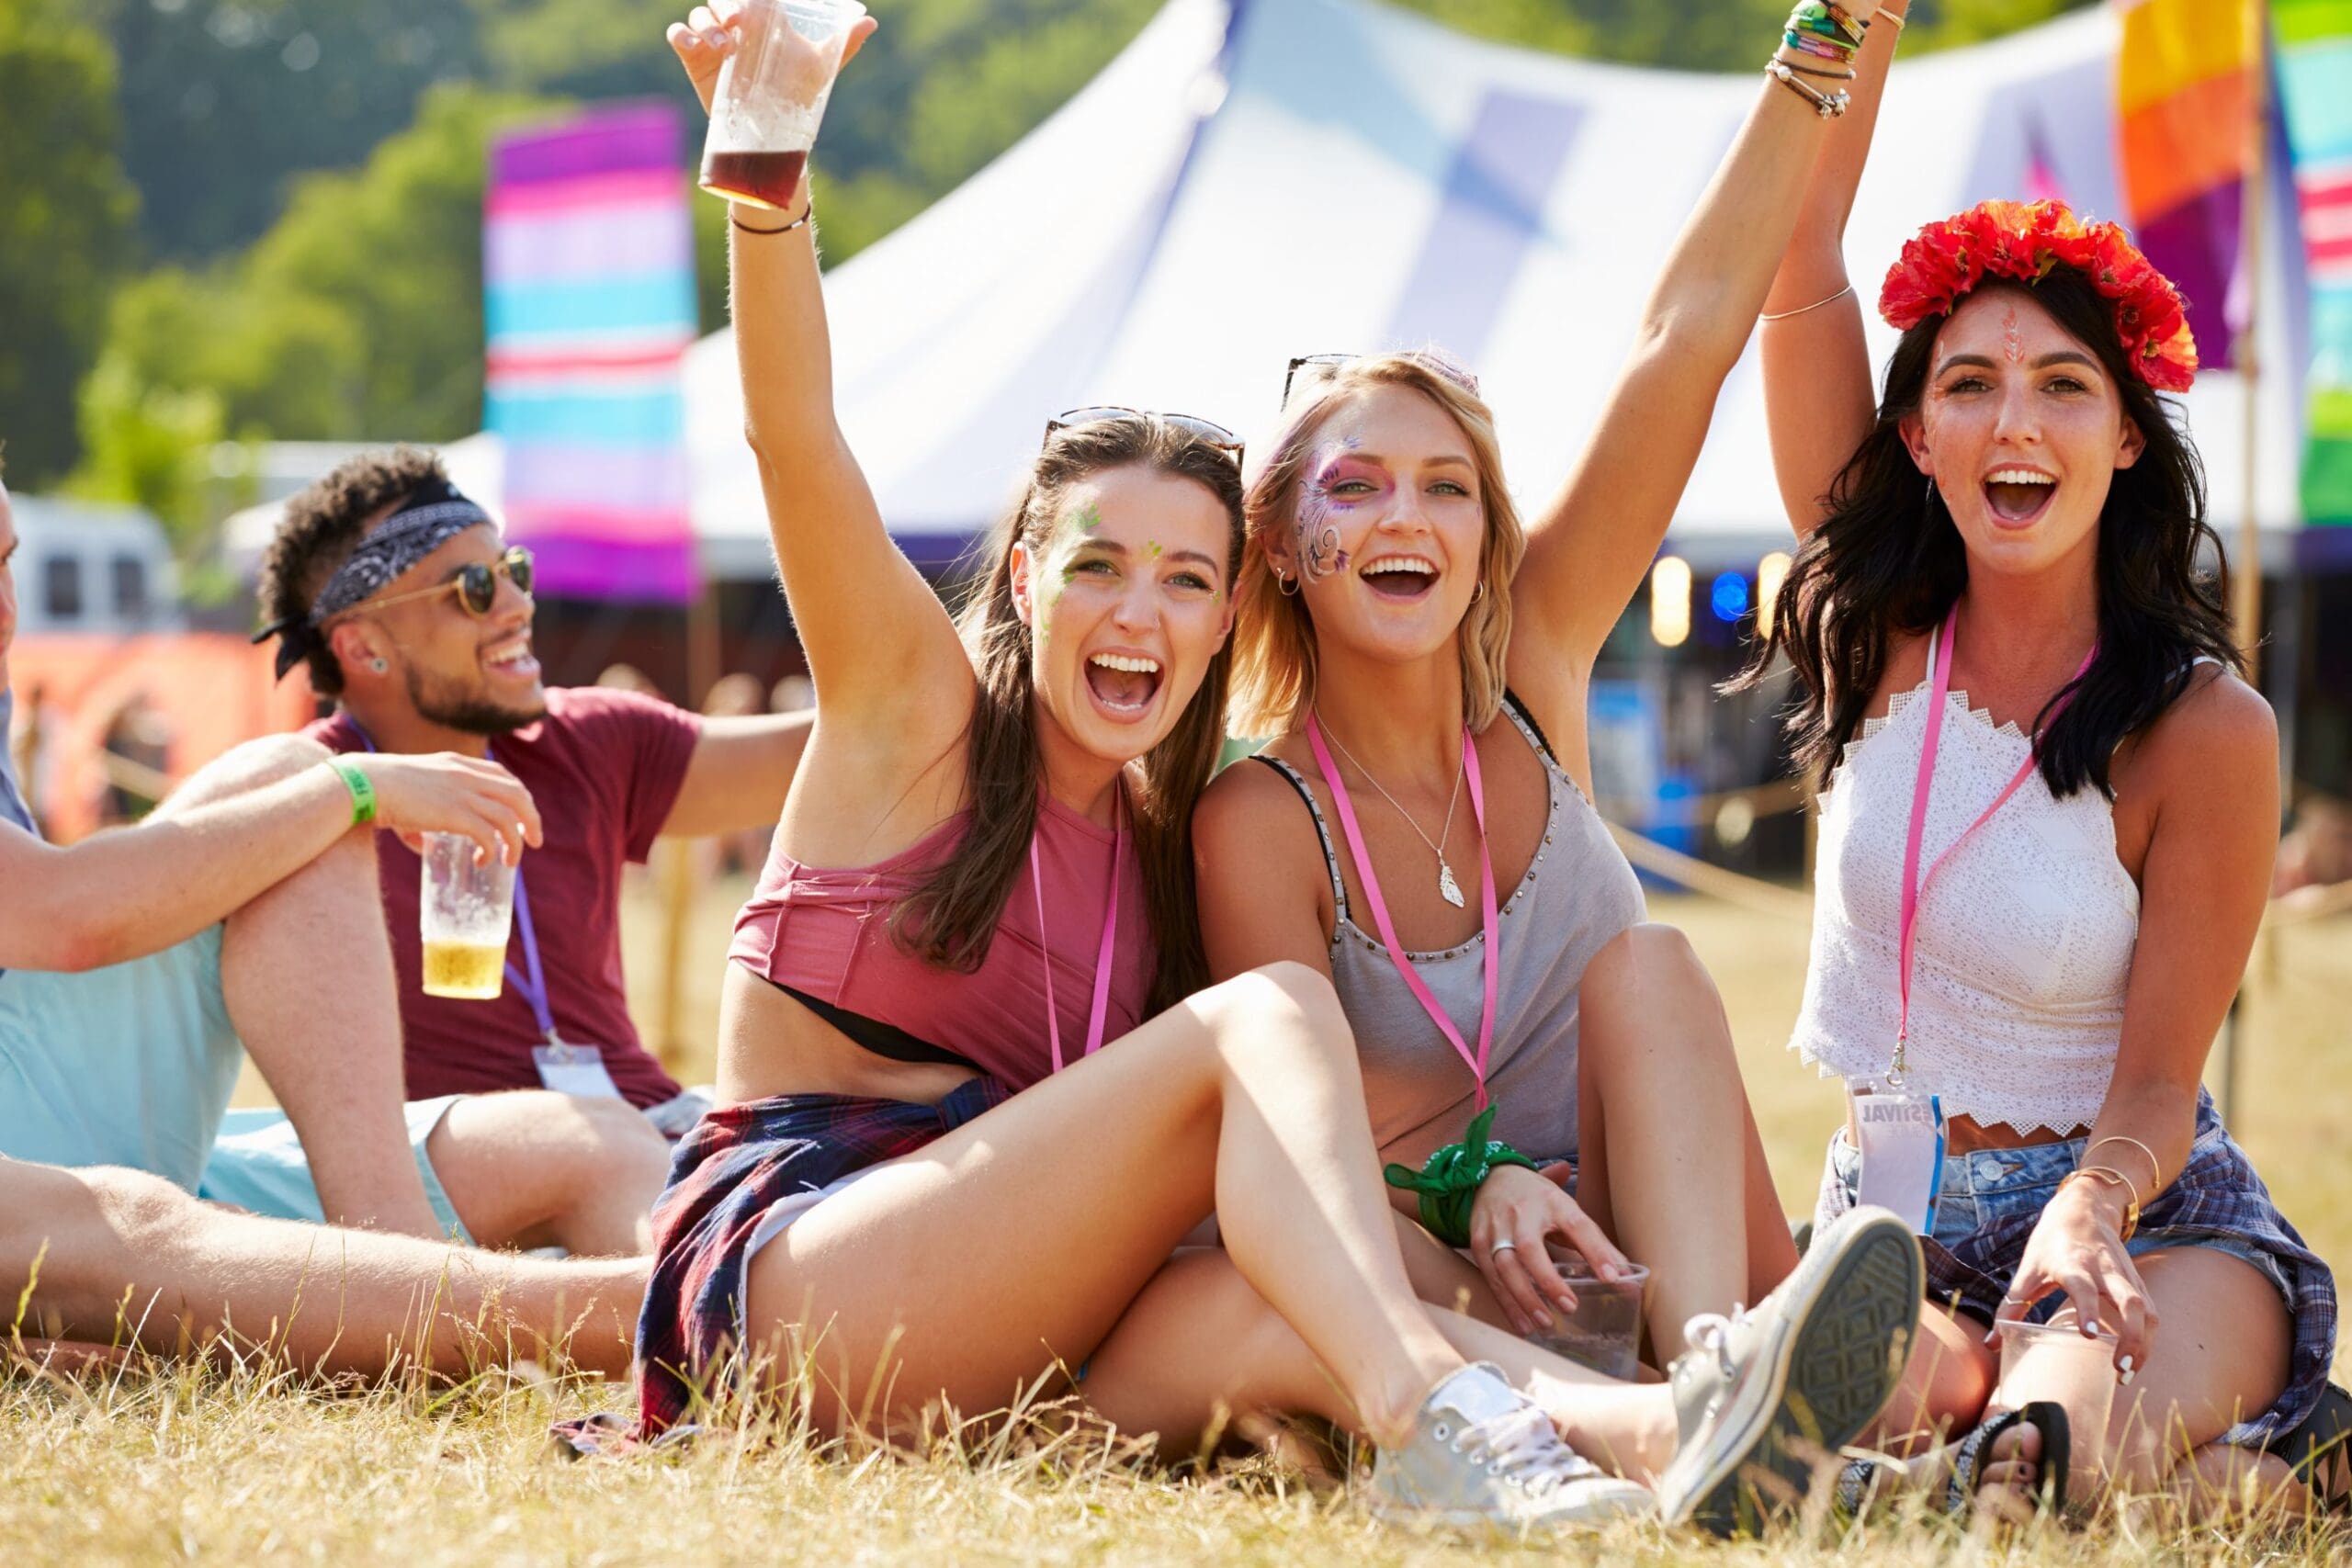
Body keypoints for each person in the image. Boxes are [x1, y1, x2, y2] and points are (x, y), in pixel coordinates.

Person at [636, 5, 1925, 1539]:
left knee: (1277, 1303)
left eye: (1183, 578)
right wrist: (769, 181)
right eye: (1100, 565)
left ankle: (1684, 1431)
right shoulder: (927, 715)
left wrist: (1823, 48)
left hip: (1036, 1298)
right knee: (1269, 1047)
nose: (1140, 609)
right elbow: (796, 440)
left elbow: (1682, 341)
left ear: (1230, 596)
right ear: (1034, 575)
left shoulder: (1159, 814)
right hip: (812, 1269)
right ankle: (1470, 1416)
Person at [1170, 0, 1905, 1395]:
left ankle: (1716, 1383)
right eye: (1359, 484)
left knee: (1657, 964)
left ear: (1487, 531)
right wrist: (1481, 1184)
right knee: (1359, 1241)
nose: (1411, 515)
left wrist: (1827, 39)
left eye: (1448, 485)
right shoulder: (1258, 817)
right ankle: (1728, 1399)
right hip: (1458, 1271)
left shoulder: (1536, 667)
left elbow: (1683, 336)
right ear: (1278, 541)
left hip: (1668, 1250)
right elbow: (1298, 1130)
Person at [1749, 6, 2340, 1516]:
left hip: (2139, 1219)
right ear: (1919, 434)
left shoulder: (2208, 727)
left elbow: (2157, 1078)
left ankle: (2186, 1429)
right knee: (1852, 1422)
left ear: (2131, 436)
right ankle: (2259, 1477)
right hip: (1888, 1228)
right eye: (1969, 383)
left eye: (2065, 383)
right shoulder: (1877, 629)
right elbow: (1797, 252)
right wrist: (1852, 21)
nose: (2016, 418)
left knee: (2032, 1461)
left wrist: (2087, 1208)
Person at [229, 448, 816, 1248]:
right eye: (472, 588)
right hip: (485, 1180)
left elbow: (839, 750)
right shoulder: (309, 794)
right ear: (365, 647)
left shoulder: (588, 740)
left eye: (513, 570)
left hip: (659, 1132)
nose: (515, 605)